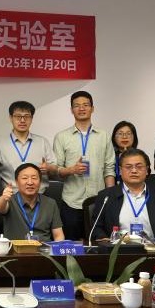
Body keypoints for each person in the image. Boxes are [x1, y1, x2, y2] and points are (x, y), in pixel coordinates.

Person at [52, 91, 115, 241]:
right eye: (77, 105)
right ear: (71, 110)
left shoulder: (104, 136)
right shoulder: (61, 137)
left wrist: (110, 197)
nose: (81, 108)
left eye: (86, 105)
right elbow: (55, 170)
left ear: (92, 108)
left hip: (98, 201)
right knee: (71, 247)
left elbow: (109, 169)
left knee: (99, 246)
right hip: (71, 202)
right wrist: (71, 170)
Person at [90, 149, 155, 240]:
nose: (134, 170)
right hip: (118, 248)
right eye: (128, 167)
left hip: (151, 247)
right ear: (120, 170)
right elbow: (96, 228)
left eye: (139, 167)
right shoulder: (106, 196)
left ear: (147, 170)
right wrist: (105, 240)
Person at [0, 101, 57, 193]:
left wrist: (49, 168)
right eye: (18, 116)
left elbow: (55, 170)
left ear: (32, 119)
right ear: (10, 118)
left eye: (27, 116)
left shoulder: (42, 142)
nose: (22, 120)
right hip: (11, 196)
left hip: (39, 195)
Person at [0, 163, 65, 241]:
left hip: (44, 247)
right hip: (16, 248)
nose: (30, 182)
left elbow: (58, 235)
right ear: (17, 182)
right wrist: (3, 198)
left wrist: (58, 247)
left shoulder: (50, 203)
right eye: (25, 178)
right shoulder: (10, 201)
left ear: (40, 182)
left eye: (34, 178)